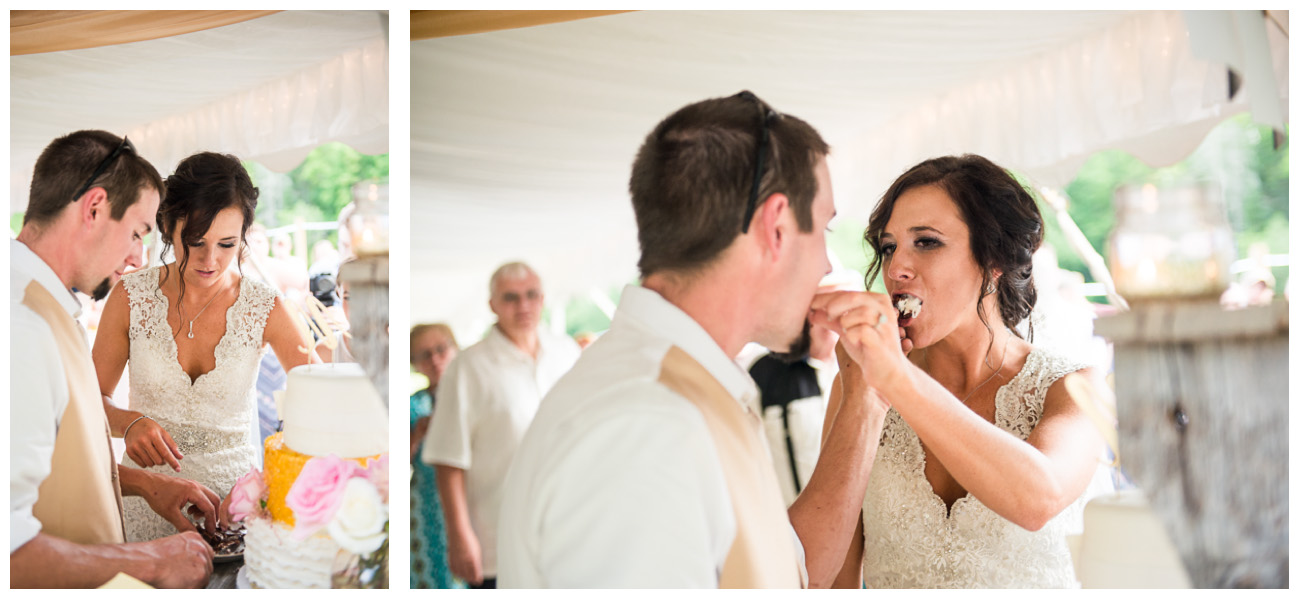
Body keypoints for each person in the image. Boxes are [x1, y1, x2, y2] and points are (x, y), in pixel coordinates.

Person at [497, 91, 886, 588]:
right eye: (824, 229)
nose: (828, 264)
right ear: (778, 227)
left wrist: (867, 400)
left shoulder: (688, 387)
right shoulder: (647, 426)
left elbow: (784, 573)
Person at [825, 154, 1107, 588]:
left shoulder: (1073, 388)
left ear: (994, 258)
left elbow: (1039, 497)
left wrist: (894, 377)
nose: (896, 268)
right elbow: (832, 580)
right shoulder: (857, 386)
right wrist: (866, 390)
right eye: (888, 246)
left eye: (927, 242)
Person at [11, 130, 217, 587]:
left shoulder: (46, 306)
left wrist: (147, 484)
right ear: (95, 208)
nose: (136, 258)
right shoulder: (20, 323)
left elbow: (59, 457)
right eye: (137, 233)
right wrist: (153, 564)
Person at [91, 151, 316, 542]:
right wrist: (128, 422)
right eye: (195, 241)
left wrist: (265, 484)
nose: (210, 260)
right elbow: (87, 402)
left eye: (227, 244)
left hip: (233, 508)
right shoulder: (130, 297)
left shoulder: (266, 307)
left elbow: (321, 406)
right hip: (143, 498)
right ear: (167, 225)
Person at [422, 262, 581, 588]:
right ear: (492, 304)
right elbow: (448, 460)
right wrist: (459, 535)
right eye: (511, 297)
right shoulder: (467, 368)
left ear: (543, 298)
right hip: (499, 537)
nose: (523, 306)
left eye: (531, 295)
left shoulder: (566, 352)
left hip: (569, 528)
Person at [409, 324, 464, 589]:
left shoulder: (471, 396)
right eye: (424, 354)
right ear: (415, 364)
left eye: (441, 349)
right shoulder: (411, 404)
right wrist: (417, 435)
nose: (435, 359)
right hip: (426, 506)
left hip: (472, 501)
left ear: (455, 349)